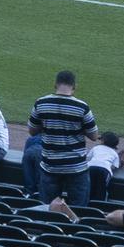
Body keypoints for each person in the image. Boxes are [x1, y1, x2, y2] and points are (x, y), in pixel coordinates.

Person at [30, 70, 99, 213]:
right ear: (74, 86)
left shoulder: (41, 103)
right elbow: (94, 135)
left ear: (55, 84)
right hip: (76, 167)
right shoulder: (82, 107)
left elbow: (32, 131)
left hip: (50, 166)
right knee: (78, 212)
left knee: (48, 211)